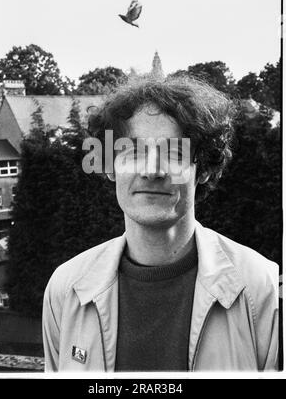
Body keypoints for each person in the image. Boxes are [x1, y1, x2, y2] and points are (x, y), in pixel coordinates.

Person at [42, 77, 279, 372]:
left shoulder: (260, 287)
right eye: (132, 152)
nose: (152, 169)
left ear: (202, 169)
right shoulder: (65, 289)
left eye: (174, 153)